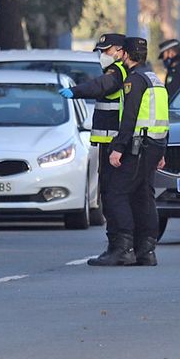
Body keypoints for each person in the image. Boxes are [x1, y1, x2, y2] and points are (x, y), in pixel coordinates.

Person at [86, 37, 168, 266]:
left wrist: (117, 149)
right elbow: (163, 117)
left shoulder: (134, 81)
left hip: (137, 146)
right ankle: (146, 250)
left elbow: (129, 119)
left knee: (115, 194)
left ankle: (121, 248)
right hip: (154, 145)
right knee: (143, 196)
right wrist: (163, 151)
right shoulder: (154, 78)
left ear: (125, 54)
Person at [62, 33, 129, 263]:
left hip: (114, 147)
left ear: (120, 51)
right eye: (101, 51)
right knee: (111, 197)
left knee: (112, 197)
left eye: (107, 50)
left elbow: (100, 86)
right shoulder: (117, 73)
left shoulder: (117, 73)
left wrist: (75, 91)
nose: (103, 55)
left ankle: (119, 248)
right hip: (110, 146)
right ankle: (118, 247)